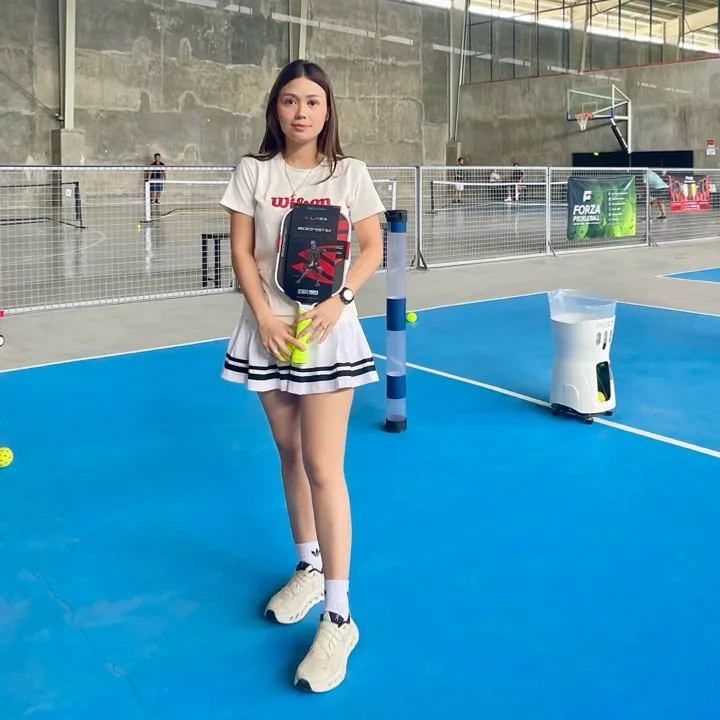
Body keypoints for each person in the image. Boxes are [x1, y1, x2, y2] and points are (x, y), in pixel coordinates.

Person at [219, 59, 385, 693]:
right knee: (289, 454)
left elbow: (370, 247)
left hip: (326, 334)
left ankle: (339, 615)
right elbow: (242, 250)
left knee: (322, 465)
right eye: (290, 100)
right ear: (275, 108)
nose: (301, 112)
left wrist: (339, 301)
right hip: (268, 333)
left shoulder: (349, 173)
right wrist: (263, 316)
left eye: (312, 101)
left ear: (327, 109)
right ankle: (309, 568)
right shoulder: (253, 172)